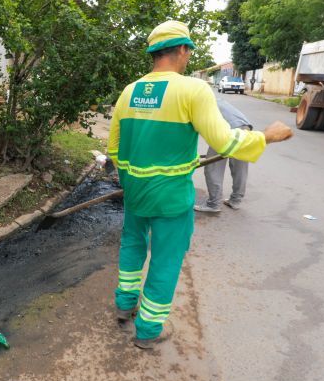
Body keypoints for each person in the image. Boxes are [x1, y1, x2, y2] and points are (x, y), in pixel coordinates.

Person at [107, 20, 292, 349]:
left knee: (132, 246)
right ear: (181, 49)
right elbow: (223, 141)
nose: (189, 55)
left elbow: (114, 148)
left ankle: (124, 305)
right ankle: (148, 331)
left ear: (153, 53)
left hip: (135, 192)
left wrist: (130, 182)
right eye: (188, 50)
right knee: (165, 258)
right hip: (170, 198)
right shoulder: (193, 90)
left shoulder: (129, 91)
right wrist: (266, 136)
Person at [194, 98, 252, 213]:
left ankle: (214, 204)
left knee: (213, 167)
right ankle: (235, 201)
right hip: (245, 128)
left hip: (226, 131)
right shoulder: (213, 98)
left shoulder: (198, 102)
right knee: (239, 168)